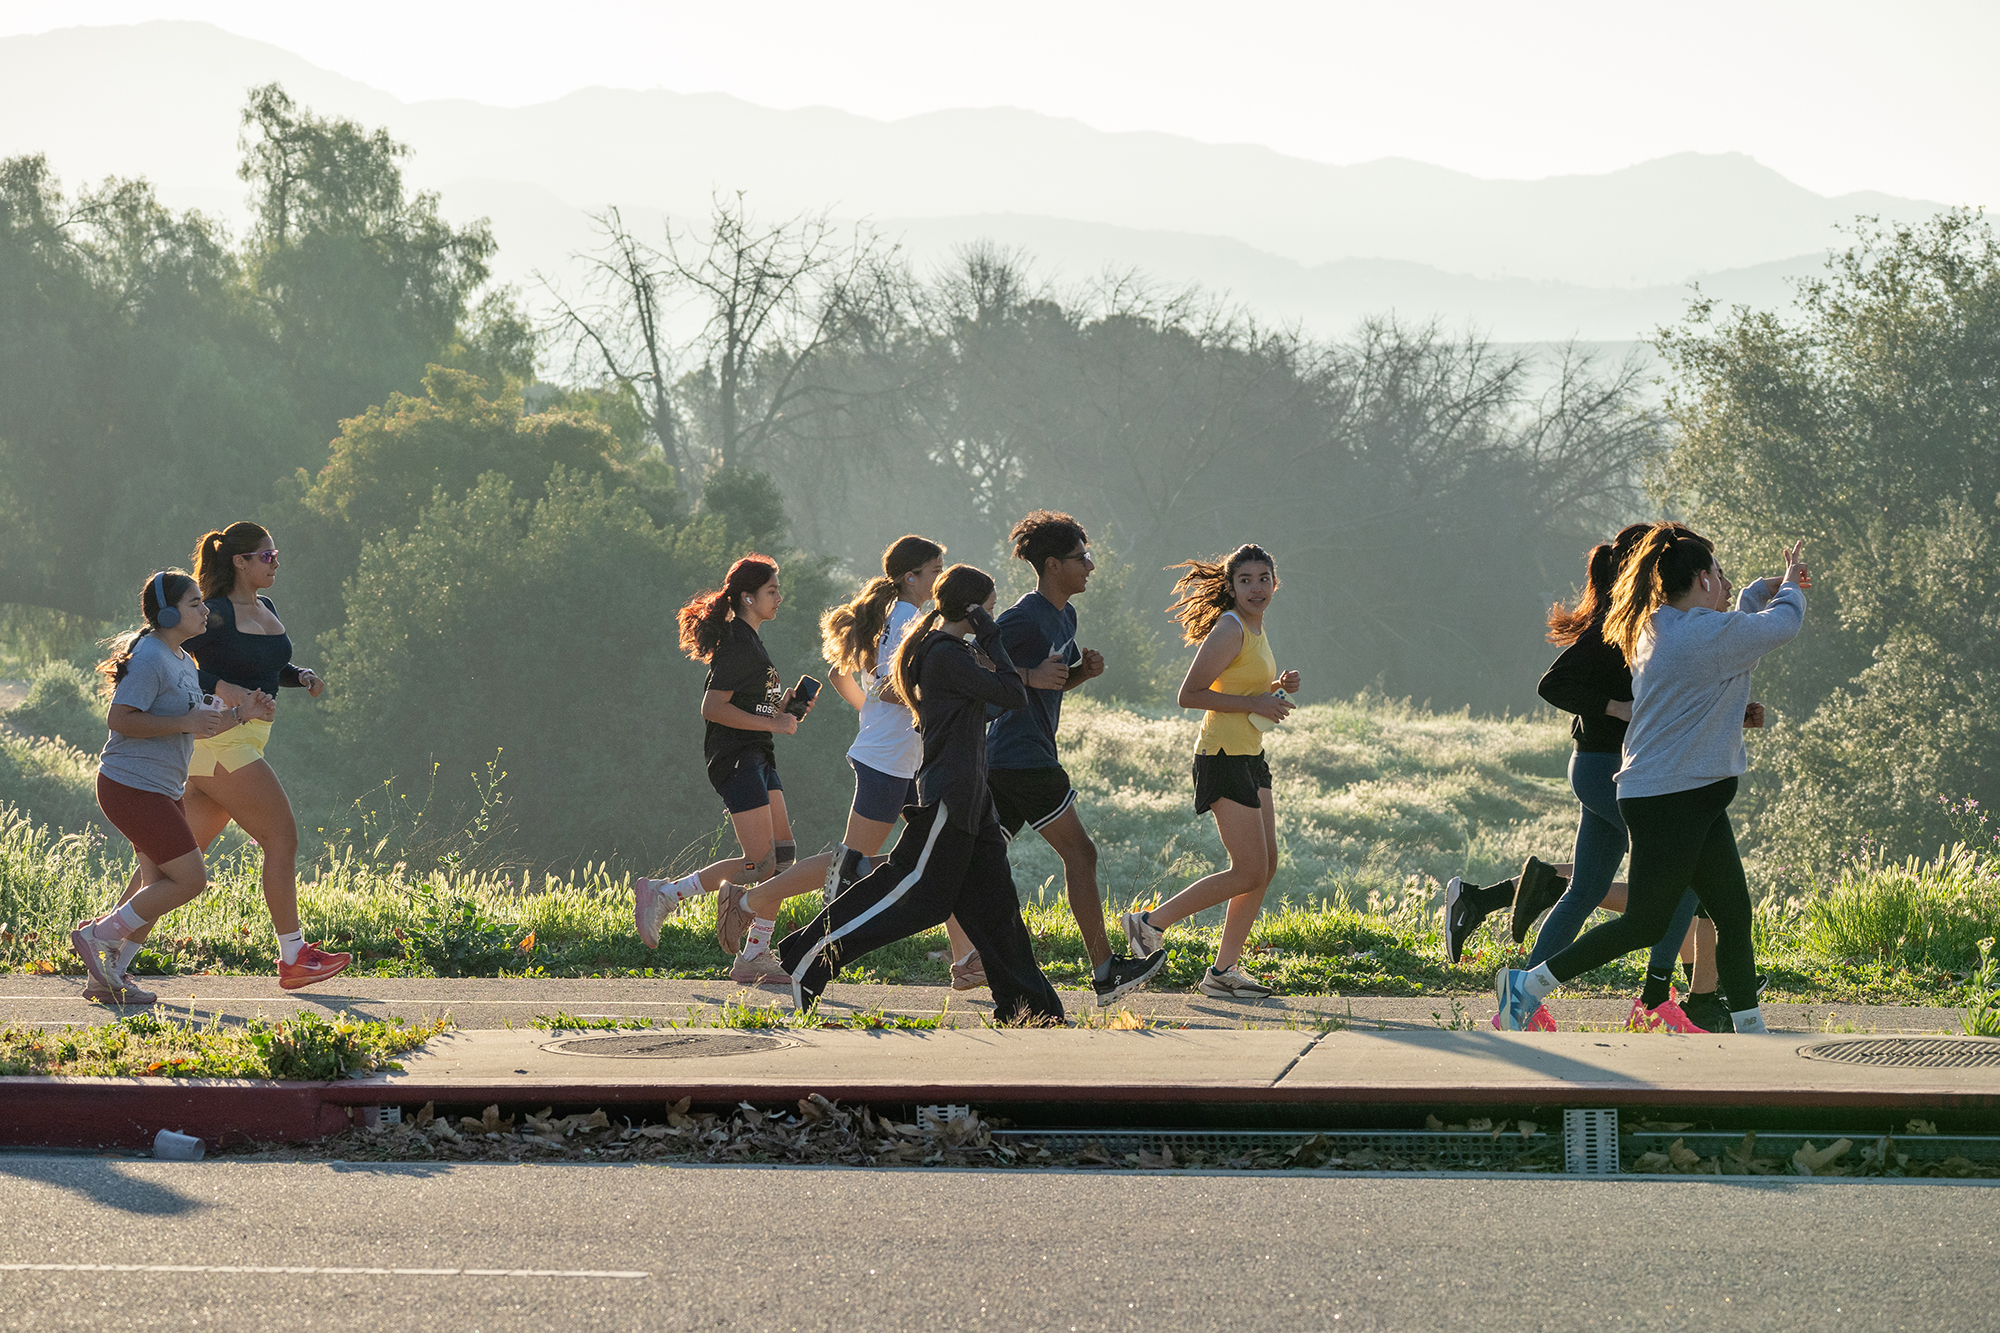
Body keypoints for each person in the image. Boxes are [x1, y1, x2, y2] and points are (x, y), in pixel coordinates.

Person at [1496, 525, 1808, 1037]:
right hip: (1672, 799)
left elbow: (1730, 634)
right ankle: (1526, 986)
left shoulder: (1661, 627)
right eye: (1720, 574)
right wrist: (1790, 583)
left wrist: (1757, 591)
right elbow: (1780, 625)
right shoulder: (1701, 637)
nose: (1726, 583)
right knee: (1645, 923)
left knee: (1733, 915)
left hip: (1688, 795)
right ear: (1702, 579)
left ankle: (1751, 1030)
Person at [776, 564, 1065, 1025]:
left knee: (997, 910)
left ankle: (1030, 1008)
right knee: (916, 896)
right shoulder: (944, 653)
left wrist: (987, 648)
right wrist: (992, 639)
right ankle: (807, 956)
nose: (992, 618)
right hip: (948, 797)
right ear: (973, 611)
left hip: (974, 800)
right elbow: (1014, 694)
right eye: (989, 610)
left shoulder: (954, 653)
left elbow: (991, 706)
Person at [1445, 524, 1707, 1031]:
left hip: (1610, 768)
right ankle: (1654, 1001)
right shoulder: (1616, 624)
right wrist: (1615, 707)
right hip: (1605, 768)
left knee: (1585, 888)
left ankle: (1519, 1003)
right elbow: (1554, 683)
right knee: (1688, 869)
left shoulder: (1651, 624)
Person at [103, 522, 352, 992]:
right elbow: (172, 658)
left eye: (275, 554)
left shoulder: (265, 608)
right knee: (281, 838)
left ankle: (110, 953)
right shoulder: (212, 612)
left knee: (169, 867)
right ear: (240, 561)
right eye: (266, 556)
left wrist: (299, 676)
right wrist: (220, 685)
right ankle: (294, 957)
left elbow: (266, 664)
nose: (275, 563)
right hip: (221, 740)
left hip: (241, 738)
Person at [971, 510, 1165, 1006]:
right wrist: (1029, 675)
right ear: (1053, 565)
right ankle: (1105, 971)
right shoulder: (1022, 617)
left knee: (964, 862)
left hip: (1011, 758)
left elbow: (1048, 684)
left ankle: (969, 955)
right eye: (1082, 558)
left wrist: (1080, 674)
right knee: (1081, 854)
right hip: (1022, 757)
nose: (1091, 566)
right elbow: (974, 662)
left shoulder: (1065, 616)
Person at [70, 570, 276, 1001]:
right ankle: (99, 935)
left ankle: (106, 978)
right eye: (194, 603)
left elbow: (198, 726)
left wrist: (243, 714)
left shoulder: (182, 660)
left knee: (157, 883)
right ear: (167, 613)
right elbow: (120, 719)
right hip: (132, 786)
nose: (205, 611)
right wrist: (184, 721)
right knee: (189, 880)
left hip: (161, 788)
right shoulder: (150, 657)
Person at [633, 553, 831, 985]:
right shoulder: (739, 644)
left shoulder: (751, 642)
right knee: (761, 865)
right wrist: (774, 723)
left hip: (758, 754)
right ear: (748, 597)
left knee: (782, 859)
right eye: (772, 591)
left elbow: (749, 705)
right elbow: (713, 707)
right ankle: (665, 894)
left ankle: (754, 954)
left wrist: (783, 707)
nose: (780, 597)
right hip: (735, 758)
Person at [1122, 544, 1299, 999]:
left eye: (1263, 579)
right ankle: (1149, 923)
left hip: (1250, 754)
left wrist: (1276, 687)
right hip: (1222, 755)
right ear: (1231, 587)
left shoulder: (1255, 627)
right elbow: (1190, 694)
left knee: (1265, 867)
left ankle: (1223, 973)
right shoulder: (1230, 627)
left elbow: (1236, 683)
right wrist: (1257, 702)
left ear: (1275, 583)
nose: (1256, 588)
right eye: (1245, 580)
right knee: (1248, 870)